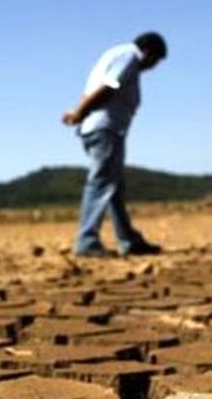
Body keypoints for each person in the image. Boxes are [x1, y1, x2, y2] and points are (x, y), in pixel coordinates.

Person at [61, 32, 167, 257]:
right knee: (101, 184)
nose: (153, 67)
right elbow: (109, 86)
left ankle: (129, 240)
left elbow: (93, 89)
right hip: (106, 129)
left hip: (97, 128)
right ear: (148, 51)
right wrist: (80, 112)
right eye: (155, 61)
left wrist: (79, 113)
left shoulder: (114, 55)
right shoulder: (129, 57)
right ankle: (86, 241)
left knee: (113, 187)